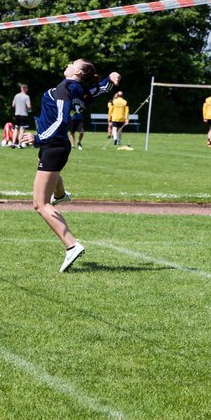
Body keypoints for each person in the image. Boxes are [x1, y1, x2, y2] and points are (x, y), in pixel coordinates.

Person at [31, 58, 120, 272]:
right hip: (55, 146)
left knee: (40, 204)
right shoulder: (78, 89)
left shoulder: (65, 89)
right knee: (46, 174)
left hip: (53, 144)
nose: (69, 63)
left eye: (73, 62)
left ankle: (71, 244)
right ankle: (60, 195)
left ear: (78, 71)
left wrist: (36, 138)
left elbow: (61, 120)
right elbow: (97, 91)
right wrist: (110, 80)